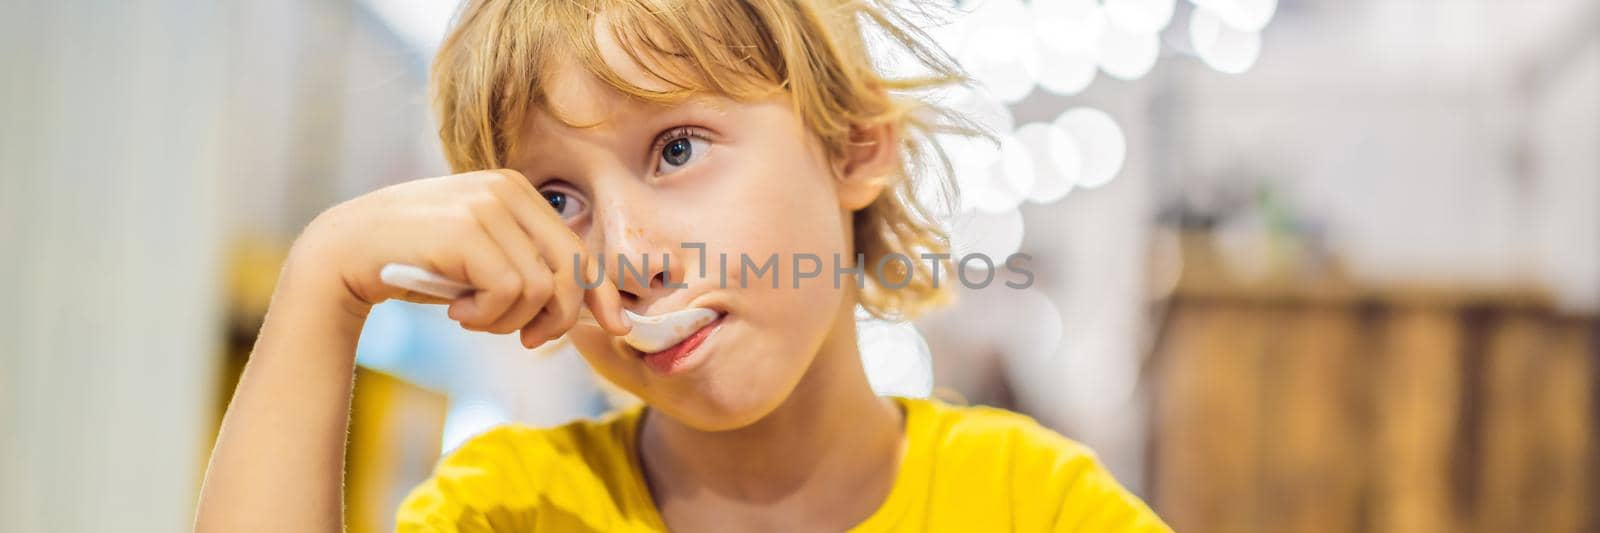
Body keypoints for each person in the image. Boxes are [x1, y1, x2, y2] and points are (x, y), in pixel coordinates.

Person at [194, 0, 1172, 531]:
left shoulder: (1030, 503)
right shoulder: (510, 506)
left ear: (853, 147)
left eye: (676, 149)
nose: (625, 256)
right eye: (553, 200)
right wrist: (322, 281)